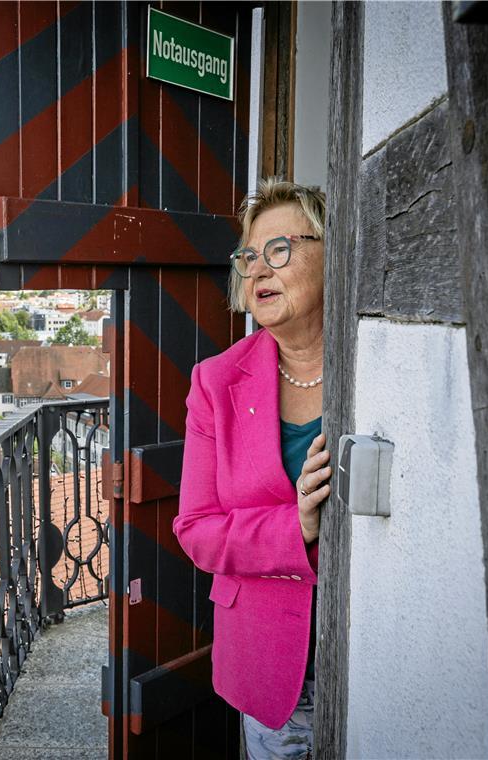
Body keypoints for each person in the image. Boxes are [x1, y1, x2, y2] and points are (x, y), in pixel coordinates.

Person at [172, 178, 330, 759]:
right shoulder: (215, 382)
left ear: (335, 252)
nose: (259, 270)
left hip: (378, 658)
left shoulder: (379, 362)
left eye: (280, 250)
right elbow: (197, 530)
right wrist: (298, 526)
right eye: (249, 256)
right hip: (275, 674)